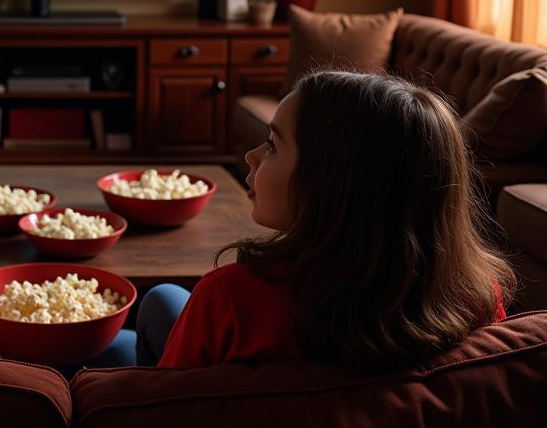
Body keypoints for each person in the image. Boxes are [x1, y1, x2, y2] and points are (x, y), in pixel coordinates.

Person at [112, 70, 515, 368]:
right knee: (160, 304)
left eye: (272, 146)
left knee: (149, 312)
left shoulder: (232, 299)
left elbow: (165, 410)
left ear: (331, 181)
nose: (251, 156)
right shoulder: (477, 292)